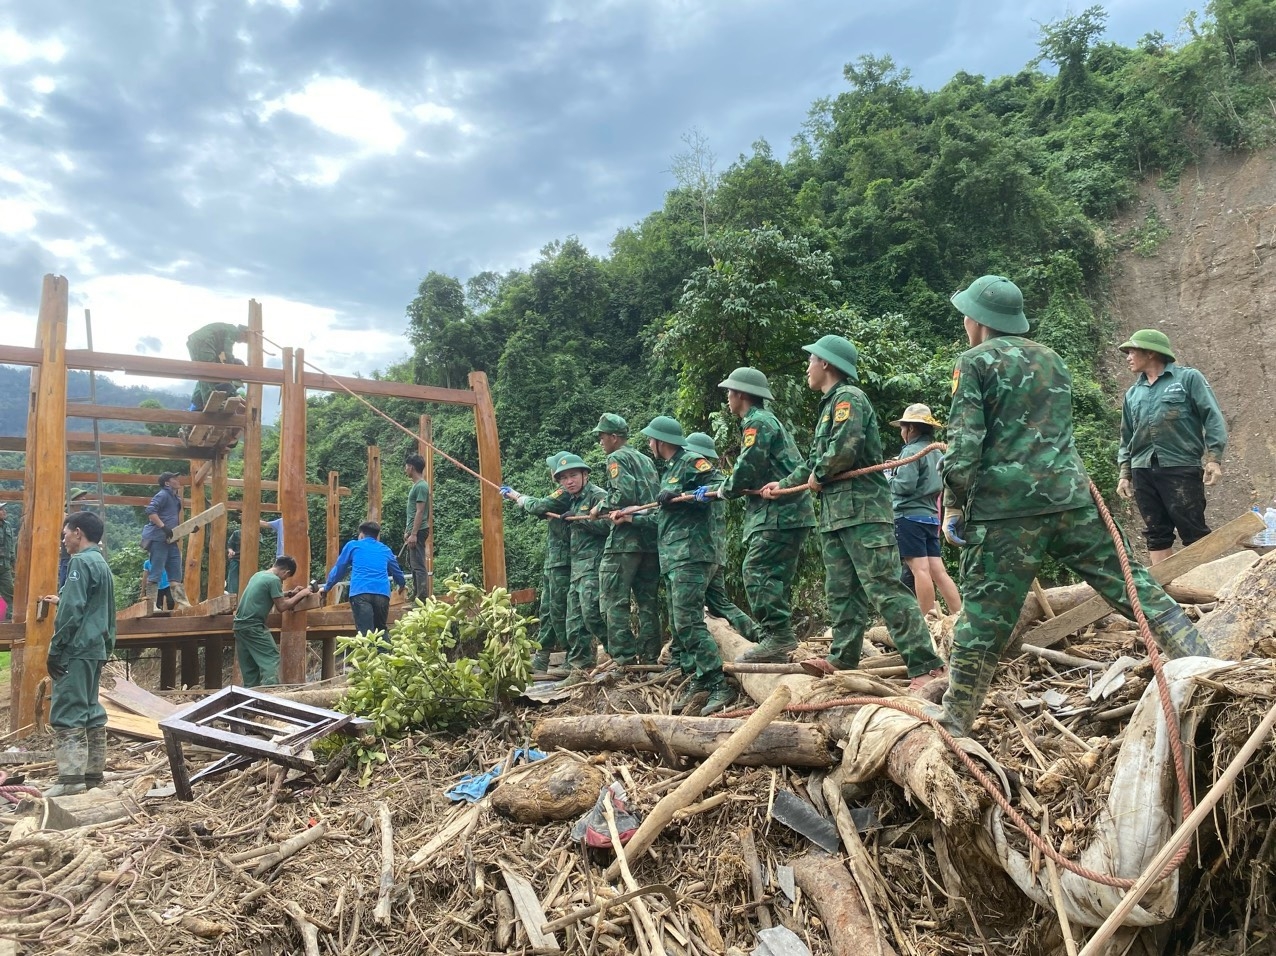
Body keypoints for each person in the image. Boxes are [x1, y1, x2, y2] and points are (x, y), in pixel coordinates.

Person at [932, 275, 1212, 736]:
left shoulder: (974, 361)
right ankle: (1208, 664)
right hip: (1070, 499)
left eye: (966, 314)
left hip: (1007, 512)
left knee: (983, 616)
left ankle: (956, 718)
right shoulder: (1053, 360)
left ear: (978, 321)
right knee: (1131, 585)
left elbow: (964, 447)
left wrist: (955, 505)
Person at [762, 335, 946, 692]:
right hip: (836, 514)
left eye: (811, 360)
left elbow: (844, 450)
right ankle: (842, 657)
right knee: (841, 590)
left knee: (883, 586)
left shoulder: (849, 398)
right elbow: (815, 462)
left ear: (827, 364)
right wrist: (781, 484)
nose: (807, 367)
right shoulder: (829, 405)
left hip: (862, 512)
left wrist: (819, 473)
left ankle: (926, 665)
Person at [616, 416, 734, 716]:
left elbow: (719, 486)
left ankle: (718, 684)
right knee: (682, 622)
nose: (649, 445)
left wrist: (686, 498)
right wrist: (633, 516)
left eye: (651, 440)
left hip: (692, 554)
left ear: (660, 441)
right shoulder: (669, 469)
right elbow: (665, 517)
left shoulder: (691, 461)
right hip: (675, 556)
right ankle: (699, 678)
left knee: (688, 623)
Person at [716, 367, 816, 663]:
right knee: (774, 575)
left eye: (730, 393)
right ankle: (777, 637)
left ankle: (778, 637)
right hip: (786, 513)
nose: (728, 400)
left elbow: (748, 465)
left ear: (741, 394)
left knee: (756, 570)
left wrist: (726, 489)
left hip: (779, 513)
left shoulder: (757, 422)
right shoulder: (762, 421)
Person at [1116, 329, 1227, 564]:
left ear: (1151, 353)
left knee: (1193, 530)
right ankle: (1167, 595)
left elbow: (1213, 418)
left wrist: (1214, 458)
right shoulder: (1133, 394)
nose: (1128, 357)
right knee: (1156, 533)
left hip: (1180, 466)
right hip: (1142, 468)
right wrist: (1124, 473)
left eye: (1132, 351)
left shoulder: (1188, 379)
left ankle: (1204, 589)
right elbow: (1126, 437)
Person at [41, 511, 115, 797]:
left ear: (78, 533)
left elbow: (72, 612)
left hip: (77, 648)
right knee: (91, 709)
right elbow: (97, 604)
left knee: (69, 709)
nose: (63, 540)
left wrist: (56, 647)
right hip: (95, 647)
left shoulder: (79, 562)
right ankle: (93, 775)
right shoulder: (101, 564)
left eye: (65, 534)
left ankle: (70, 780)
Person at [592, 414, 663, 666]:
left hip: (625, 541)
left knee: (613, 601)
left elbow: (623, 494)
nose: (600, 442)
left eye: (602, 437)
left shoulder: (616, 458)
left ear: (614, 437)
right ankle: (649, 657)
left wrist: (600, 504)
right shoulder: (646, 459)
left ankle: (624, 659)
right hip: (650, 540)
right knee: (647, 602)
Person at [683, 431, 763, 646]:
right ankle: (758, 635)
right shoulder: (700, 476)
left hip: (701, 552)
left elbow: (721, 481)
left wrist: (704, 491)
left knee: (685, 605)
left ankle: (690, 653)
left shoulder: (702, 469)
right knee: (720, 603)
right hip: (714, 552)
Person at [887, 403, 962, 618]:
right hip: (930, 517)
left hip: (909, 516)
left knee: (919, 568)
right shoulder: (936, 450)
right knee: (937, 570)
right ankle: (958, 613)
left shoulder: (911, 451)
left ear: (911, 428)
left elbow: (905, 486)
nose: (902, 432)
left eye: (903, 428)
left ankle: (927, 618)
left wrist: (889, 478)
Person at [502, 454, 573, 677]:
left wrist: (517, 497)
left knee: (561, 610)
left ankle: (573, 656)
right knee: (548, 610)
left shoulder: (564, 492)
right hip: (553, 560)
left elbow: (540, 505)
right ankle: (542, 658)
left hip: (566, 560)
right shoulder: (562, 491)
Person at [554, 454, 611, 683]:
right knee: (574, 621)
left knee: (593, 615)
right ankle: (580, 668)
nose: (569, 481)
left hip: (595, 566)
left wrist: (580, 519)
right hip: (577, 568)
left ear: (585, 475)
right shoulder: (572, 501)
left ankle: (621, 654)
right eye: (564, 478)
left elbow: (610, 524)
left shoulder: (598, 496)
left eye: (573, 476)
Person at [233, 555, 313, 687]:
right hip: (253, 626)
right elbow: (281, 607)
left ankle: (249, 696)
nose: (283, 580)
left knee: (250, 666)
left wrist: (289, 593)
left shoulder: (258, 575)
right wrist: (302, 594)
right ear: (286, 572)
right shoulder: (274, 580)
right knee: (271, 658)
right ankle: (271, 692)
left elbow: (268, 593)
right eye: (286, 577)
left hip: (239, 626)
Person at [321, 521, 407, 635]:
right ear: (377, 536)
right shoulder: (385, 549)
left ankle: (367, 652)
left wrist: (327, 587)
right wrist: (401, 584)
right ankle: (384, 652)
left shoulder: (353, 545)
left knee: (365, 634)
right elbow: (397, 571)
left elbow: (339, 569)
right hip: (382, 594)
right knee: (380, 631)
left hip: (360, 593)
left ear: (361, 534)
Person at [142, 472, 190, 607]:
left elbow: (174, 520)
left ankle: (183, 605)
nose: (178, 480)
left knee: (175, 574)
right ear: (167, 483)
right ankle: (151, 605)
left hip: (171, 539)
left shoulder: (176, 499)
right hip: (158, 538)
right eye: (174, 479)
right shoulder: (162, 495)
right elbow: (151, 512)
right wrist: (163, 527)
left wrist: (190, 528)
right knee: (155, 572)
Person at [187, 322, 249, 410]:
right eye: (245, 340)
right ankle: (208, 399)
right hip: (203, 341)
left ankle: (208, 398)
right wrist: (232, 370)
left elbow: (220, 354)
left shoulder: (224, 332)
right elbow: (228, 353)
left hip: (196, 342)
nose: (242, 342)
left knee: (205, 372)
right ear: (243, 333)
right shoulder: (232, 331)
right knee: (207, 371)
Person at [404, 454, 431, 601]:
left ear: (411, 467)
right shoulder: (417, 485)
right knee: (413, 563)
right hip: (413, 530)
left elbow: (420, 511)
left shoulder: (421, 486)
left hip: (419, 530)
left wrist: (414, 533)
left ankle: (422, 596)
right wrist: (408, 531)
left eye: (406, 466)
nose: (405, 469)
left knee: (418, 564)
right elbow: (413, 511)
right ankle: (416, 593)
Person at [57, 489, 92, 588]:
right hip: (68, 557)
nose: (83, 499)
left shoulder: (79, 517)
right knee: (66, 586)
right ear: (73, 500)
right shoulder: (64, 516)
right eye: (80, 497)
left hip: (80, 556)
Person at [0, 501, 13, 621]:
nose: (4, 511)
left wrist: (13, 562)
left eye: (4, 509)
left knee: (9, 593)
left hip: (5, 567)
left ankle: (9, 621)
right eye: (1, 509)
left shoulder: (7, 525)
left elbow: (11, 546)